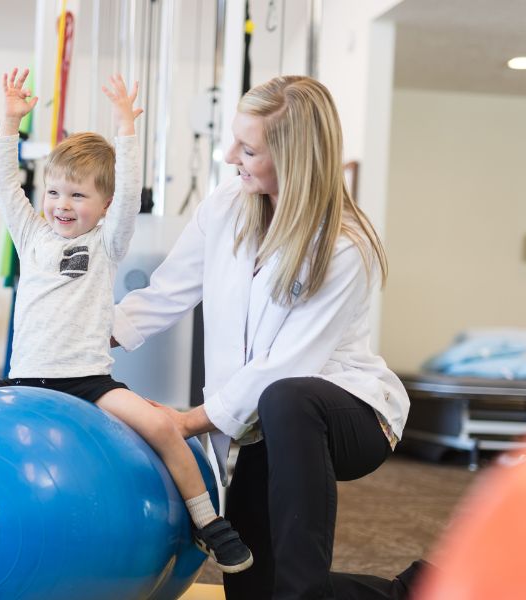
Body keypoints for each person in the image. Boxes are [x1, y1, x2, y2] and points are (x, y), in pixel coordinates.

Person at [0, 67, 253, 573]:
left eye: (78, 196)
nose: (61, 206)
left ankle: (209, 524)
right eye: (54, 193)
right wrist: (10, 123)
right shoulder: (31, 236)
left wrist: (126, 130)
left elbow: (129, 192)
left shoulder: (107, 242)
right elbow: (6, 185)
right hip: (25, 380)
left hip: (88, 382)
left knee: (162, 425)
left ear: (104, 206)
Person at [111, 75, 419, 599]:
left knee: (287, 396)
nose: (230, 154)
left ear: (294, 158)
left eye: (248, 148)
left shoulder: (344, 245)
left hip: (350, 414)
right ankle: (411, 590)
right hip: (263, 419)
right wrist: (78, 343)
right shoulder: (227, 206)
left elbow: (284, 366)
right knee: (254, 590)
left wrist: (182, 422)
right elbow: (164, 294)